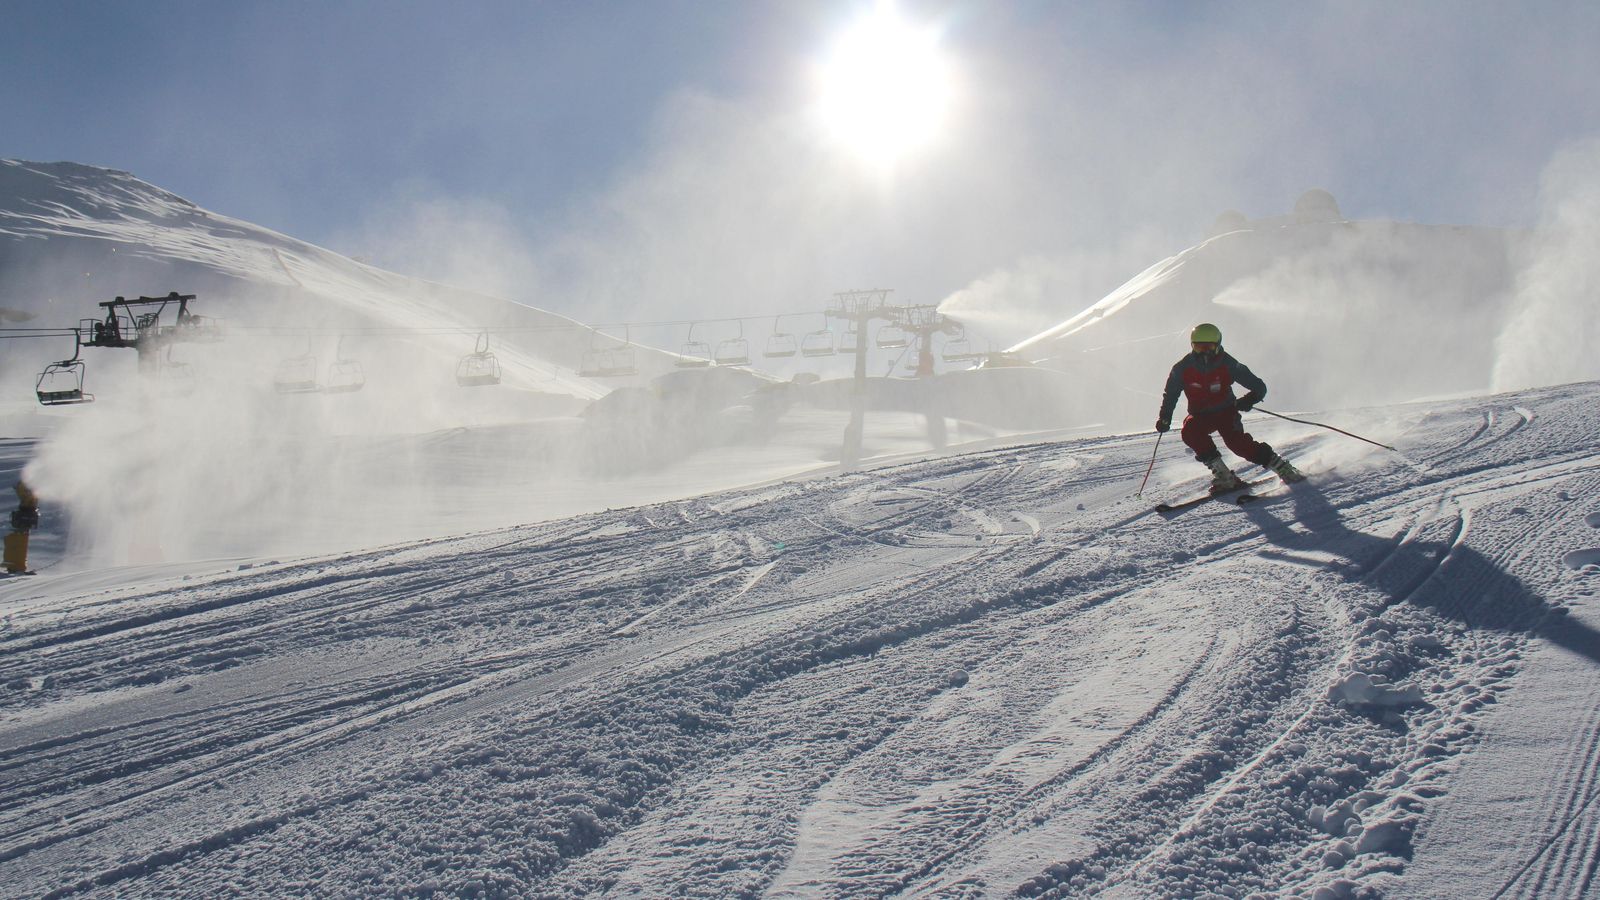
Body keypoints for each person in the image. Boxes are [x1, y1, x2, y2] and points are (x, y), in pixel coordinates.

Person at [1156, 323, 1303, 492]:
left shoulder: (1227, 364)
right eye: (1199, 347)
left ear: (1218, 345)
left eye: (1209, 347)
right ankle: (1225, 476)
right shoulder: (1182, 368)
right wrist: (1164, 417)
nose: (1204, 353)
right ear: (1192, 346)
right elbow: (1171, 394)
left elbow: (1258, 386)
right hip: (1201, 416)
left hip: (1225, 412)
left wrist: (1249, 399)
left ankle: (1282, 467)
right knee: (1190, 430)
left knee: (1237, 444)